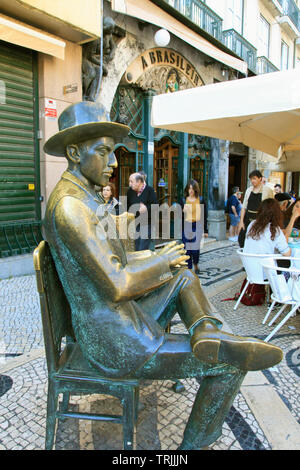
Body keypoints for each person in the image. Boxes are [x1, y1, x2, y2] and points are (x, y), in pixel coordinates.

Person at [43, 101, 282, 450]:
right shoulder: (71, 207)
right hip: (114, 341)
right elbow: (118, 283)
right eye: (105, 151)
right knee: (230, 365)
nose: (113, 162)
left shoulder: (84, 198)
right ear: (75, 152)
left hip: (117, 321)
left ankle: (206, 332)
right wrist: (159, 262)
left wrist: (159, 258)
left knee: (183, 276)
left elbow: (117, 259)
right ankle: (192, 447)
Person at [238, 170, 274, 247]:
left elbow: (272, 207)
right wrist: (241, 221)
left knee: (258, 240)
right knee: (243, 240)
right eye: (251, 179)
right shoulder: (248, 190)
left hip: (261, 220)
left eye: (254, 178)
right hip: (248, 219)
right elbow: (244, 207)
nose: (252, 181)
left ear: (260, 178)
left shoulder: (268, 190)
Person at [180, 180, 208, 274]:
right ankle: (189, 268)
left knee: (195, 249)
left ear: (196, 189)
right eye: (189, 188)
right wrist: (182, 211)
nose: (191, 190)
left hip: (197, 226)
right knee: (187, 248)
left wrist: (205, 230)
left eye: (192, 188)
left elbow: (204, 215)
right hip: (186, 226)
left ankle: (195, 263)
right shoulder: (183, 200)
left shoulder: (201, 199)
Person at [127, 172, 157, 251]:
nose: (130, 184)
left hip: (147, 224)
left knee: (142, 248)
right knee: (136, 248)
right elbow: (127, 206)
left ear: (139, 182)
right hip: (135, 224)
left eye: (131, 182)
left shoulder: (150, 190)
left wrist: (146, 208)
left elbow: (155, 206)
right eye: (129, 181)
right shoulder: (130, 191)